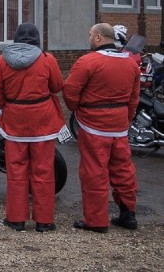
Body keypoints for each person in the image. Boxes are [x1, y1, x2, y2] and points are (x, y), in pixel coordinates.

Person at [0, 23, 65, 232]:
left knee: (16, 172)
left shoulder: (2, 60)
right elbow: (56, 86)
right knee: (44, 172)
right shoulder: (47, 59)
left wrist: (7, 104)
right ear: (37, 39)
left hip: (14, 122)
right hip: (42, 122)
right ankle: (44, 221)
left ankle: (16, 219)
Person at [63, 23, 141, 233]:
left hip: (93, 124)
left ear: (98, 37)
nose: (89, 38)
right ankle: (128, 215)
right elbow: (134, 99)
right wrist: (126, 119)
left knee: (94, 172)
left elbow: (70, 93)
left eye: (90, 35)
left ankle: (96, 221)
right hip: (119, 124)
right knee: (123, 170)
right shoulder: (131, 63)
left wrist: (77, 109)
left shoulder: (87, 62)